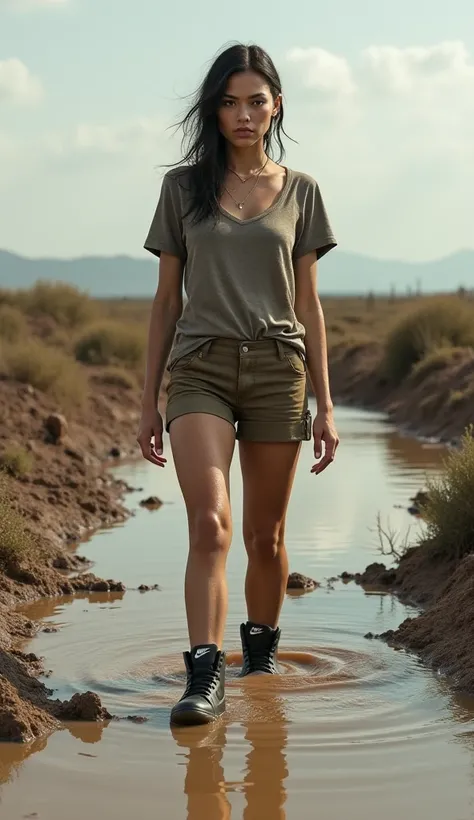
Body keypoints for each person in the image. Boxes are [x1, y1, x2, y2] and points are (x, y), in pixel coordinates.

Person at [137, 42, 339, 727]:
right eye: (229, 101)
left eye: (256, 100)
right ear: (214, 111)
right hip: (200, 369)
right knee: (210, 524)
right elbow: (165, 301)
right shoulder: (182, 189)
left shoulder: (304, 191)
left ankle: (258, 663)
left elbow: (309, 306)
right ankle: (203, 677)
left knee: (267, 538)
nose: (243, 114)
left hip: (280, 372)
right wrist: (146, 401)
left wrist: (327, 404)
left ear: (276, 105)